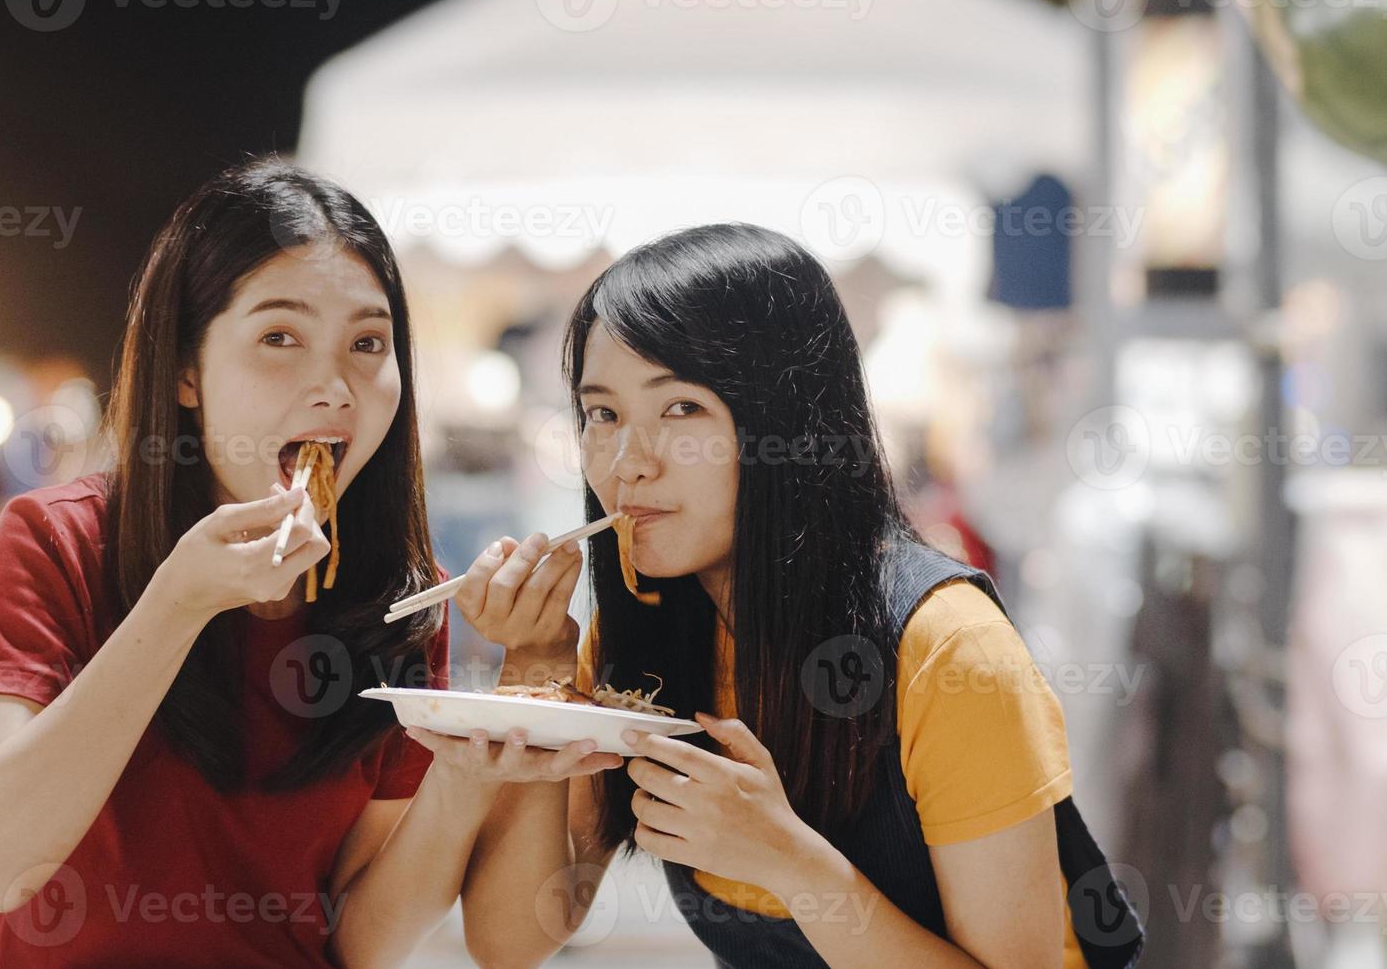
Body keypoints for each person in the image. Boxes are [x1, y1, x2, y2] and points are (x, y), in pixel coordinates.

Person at [0, 159, 620, 967]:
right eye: (278, 338)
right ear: (186, 370)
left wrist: (465, 774)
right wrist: (176, 605)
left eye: (368, 342)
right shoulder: (61, 541)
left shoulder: (399, 598)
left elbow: (361, 941)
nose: (333, 387)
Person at [414, 224, 1144, 967]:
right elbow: (510, 941)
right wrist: (538, 665)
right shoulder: (641, 633)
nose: (627, 463)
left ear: (787, 422)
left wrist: (790, 862)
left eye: (681, 410)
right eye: (603, 414)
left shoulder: (947, 647)